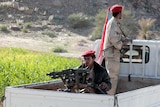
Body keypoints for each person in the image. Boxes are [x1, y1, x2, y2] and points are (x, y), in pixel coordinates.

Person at [103, 4, 129, 95]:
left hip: (113, 54)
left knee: (113, 76)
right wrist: (121, 44)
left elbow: (117, 35)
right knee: (112, 77)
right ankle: (109, 97)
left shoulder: (115, 22)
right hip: (112, 54)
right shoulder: (113, 23)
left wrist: (123, 39)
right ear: (119, 13)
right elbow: (112, 38)